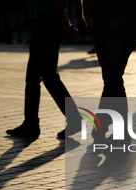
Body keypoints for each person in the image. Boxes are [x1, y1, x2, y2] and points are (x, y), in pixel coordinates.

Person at [6, 0, 81, 140]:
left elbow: (56, 2)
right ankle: (32, 122)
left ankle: (33, 123)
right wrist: (66, 26)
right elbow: (62, 7)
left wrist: (66, 28)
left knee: (37, 78)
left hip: (46, 25)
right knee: (45, 77)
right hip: (50, 24)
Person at [83, 0, 136, 138]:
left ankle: (122, 129)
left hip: (106, 20)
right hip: (132, 23)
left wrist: (87, 15)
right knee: (113, 76)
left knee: (112, 76)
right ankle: (101, 124)